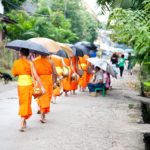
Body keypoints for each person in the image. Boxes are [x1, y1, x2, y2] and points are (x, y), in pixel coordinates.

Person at [12, 48, 45, 132]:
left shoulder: (16, 62)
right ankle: (22, 122)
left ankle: (24, 120)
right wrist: (42, 86)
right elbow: (36, 76)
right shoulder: (30, 63)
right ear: (28, 54)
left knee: (22, 102)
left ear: (20, 54)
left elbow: (14, 74)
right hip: (27, 85)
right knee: (26, 103)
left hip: (20, 85)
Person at [33, 55, 57, 123]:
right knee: (46, 98)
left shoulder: (35, 61)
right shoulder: (51, 61)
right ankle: (42, 116)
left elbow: (33, 73)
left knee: (40, 97)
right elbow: (54, 73)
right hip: (48, 81)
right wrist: (55, 82)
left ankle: (41, 110)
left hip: (39, 81)